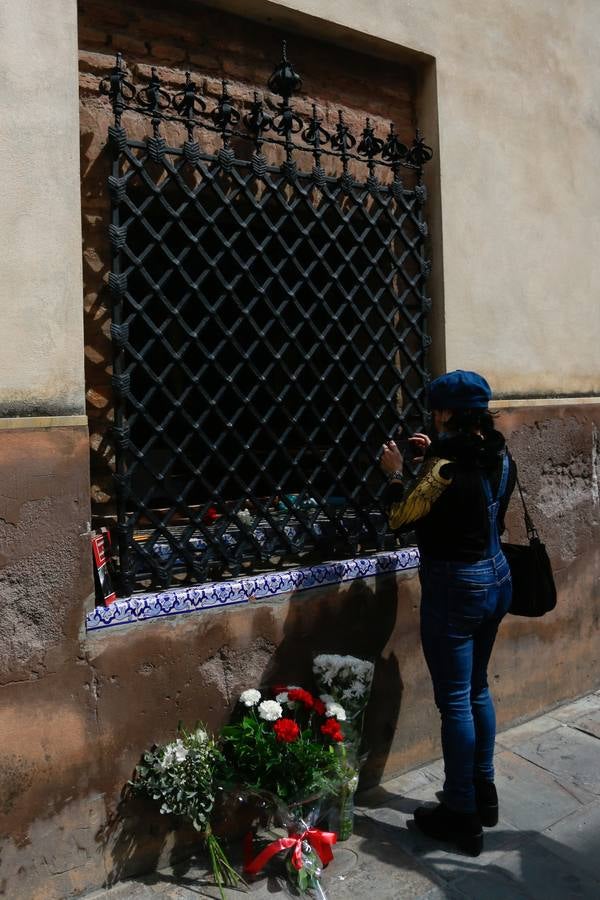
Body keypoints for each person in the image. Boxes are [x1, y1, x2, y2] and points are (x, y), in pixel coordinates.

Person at [380, 370, 516, 856]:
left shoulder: (442, 467)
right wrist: (428, 455)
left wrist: (397, 472)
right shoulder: (498, 452)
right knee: (478, 688)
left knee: (455, 699)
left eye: (436, 411)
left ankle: (460, 812)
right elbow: (469, 503)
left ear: (445, 413)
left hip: (457, 586)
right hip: (497, 576)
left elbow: (401, 517)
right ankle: (484, 790)